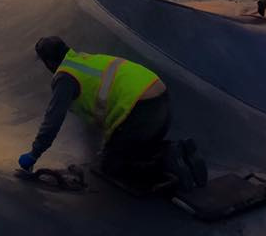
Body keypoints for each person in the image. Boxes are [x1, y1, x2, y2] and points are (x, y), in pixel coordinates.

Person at [18, 37, 206, 189]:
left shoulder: (65, 78)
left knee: (110, 167)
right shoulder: (85, 60)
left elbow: (53, 120)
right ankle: (174, 151)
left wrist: (34, 154)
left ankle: (169, 160)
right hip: (161, 99)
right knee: (128, 148)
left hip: (141, 110)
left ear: (49, 62)